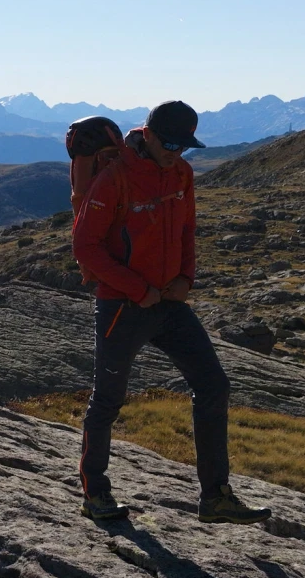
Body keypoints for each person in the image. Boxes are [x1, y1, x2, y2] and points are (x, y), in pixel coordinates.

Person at [71, 100, 271, 525]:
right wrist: (137, 289)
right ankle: (95, 493)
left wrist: (186, 277)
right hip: (123, 305)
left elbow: (186, 229)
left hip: (169, 303)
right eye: (170, 144)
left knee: (214, 386)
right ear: (149, 133)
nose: (176, 153)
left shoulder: (181, 173)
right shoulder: (115, 178)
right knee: (107, 401)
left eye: (184, 147)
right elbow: (84, 246)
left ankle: (215, 497)